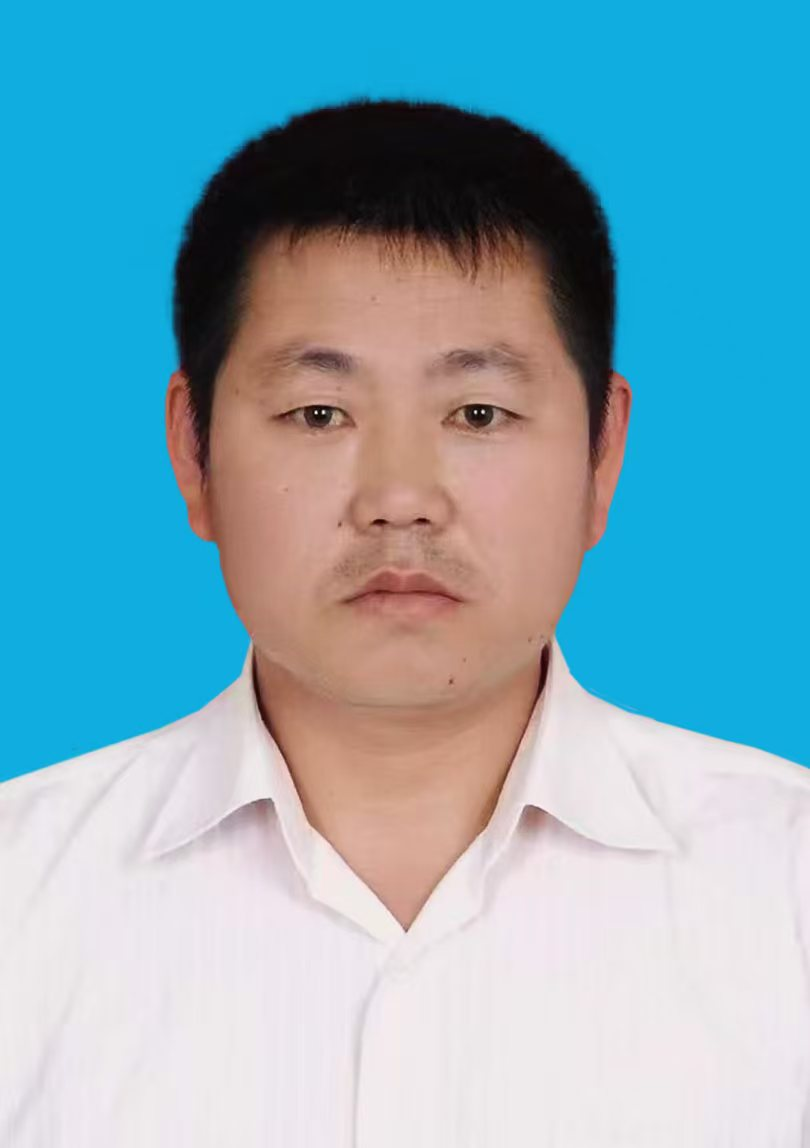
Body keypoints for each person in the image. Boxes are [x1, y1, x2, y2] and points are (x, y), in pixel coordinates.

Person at [2, 98, 809, 1148]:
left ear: (603, 453)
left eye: (478, 413)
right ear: (192, 452)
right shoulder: (22, 899)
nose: (399, 498)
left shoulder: (785, 887)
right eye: (318, 413)